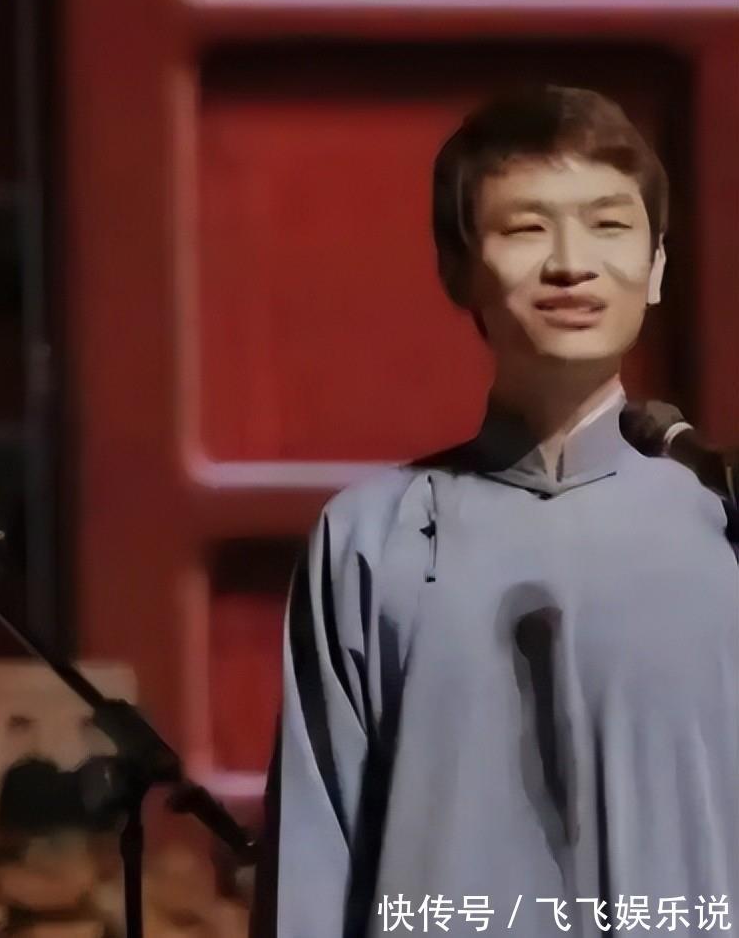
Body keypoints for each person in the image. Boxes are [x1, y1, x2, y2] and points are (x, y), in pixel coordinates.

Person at [256, 86, 737, 937]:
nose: (571, 263)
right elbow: (311, 872)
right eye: (525, 228)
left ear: (658, 265)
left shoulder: (722, 526)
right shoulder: (371, 541)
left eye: (609, 224)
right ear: (458, 269)